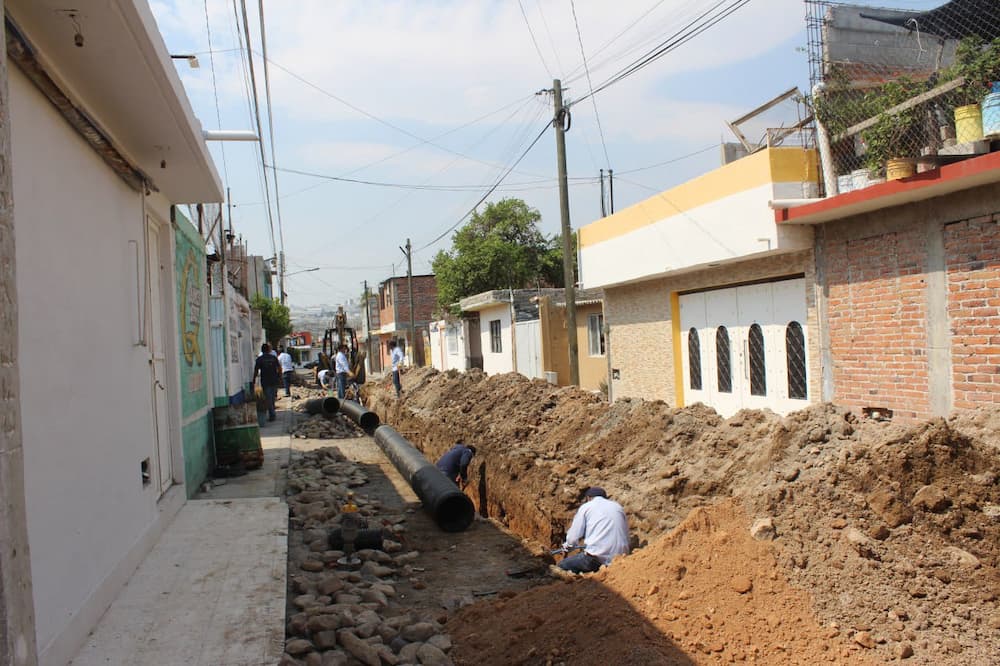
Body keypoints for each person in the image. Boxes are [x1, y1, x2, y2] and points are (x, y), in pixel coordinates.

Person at [558, 487, 630, 574]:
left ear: (588, 498)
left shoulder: (586, 507)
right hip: (620, 558)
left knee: (561, 566)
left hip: (596, 559)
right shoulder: (618, 507)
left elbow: (573, 537)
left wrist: (568, 546)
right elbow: (626, 535)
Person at [252, 343, 281, 422]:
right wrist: (280, 377)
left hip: (265, 381)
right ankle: (272, 413)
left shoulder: (259, 359)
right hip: (274, 380)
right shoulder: (274, 358)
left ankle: (272, 414)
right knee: (272, 398)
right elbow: (279, 368)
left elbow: (256, 370)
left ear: (262, 350)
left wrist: (253, 380)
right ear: (269, 350)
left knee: (268, 398)